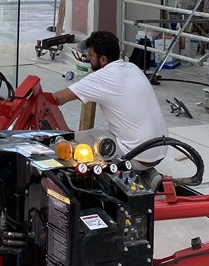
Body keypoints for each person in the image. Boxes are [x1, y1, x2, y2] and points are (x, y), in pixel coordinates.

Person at [47, 30, 167, 168]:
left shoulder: (102, 77)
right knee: (99, 133)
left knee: (67, 144)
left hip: (136, 156)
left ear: (103, 59)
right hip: (159, 150)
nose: (87, 58)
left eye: (91, 55)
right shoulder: (132, 67)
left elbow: (59, 98)